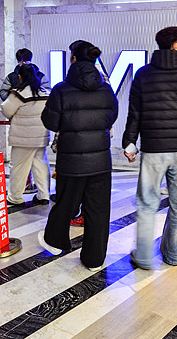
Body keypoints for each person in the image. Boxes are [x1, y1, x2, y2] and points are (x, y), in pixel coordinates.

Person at [122, 26, 177, 269]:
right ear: (175, 45)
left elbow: (134, 113)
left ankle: (144, 257)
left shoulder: (143, 74)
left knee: (147, 204)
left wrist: (129, 142)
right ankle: (173, 256)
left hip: (154, 149)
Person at [40, 41, 118, 271]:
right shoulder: (105, 89)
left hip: (71, 160)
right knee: (98, 210)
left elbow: (51, 122)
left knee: (65, 202)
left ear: (73, 59)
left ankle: (55, 241)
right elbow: (111, 117)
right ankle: (94, 260)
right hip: (101, 160)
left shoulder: (61, 89)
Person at [1, 64, 51, 206]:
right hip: (41, 136)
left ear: (20, 77)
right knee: (41, 165)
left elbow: (7, 110)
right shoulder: (45, 92)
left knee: (18, 166)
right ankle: (44, 194)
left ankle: (15, 197)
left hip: (22, 138)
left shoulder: (18, 93)